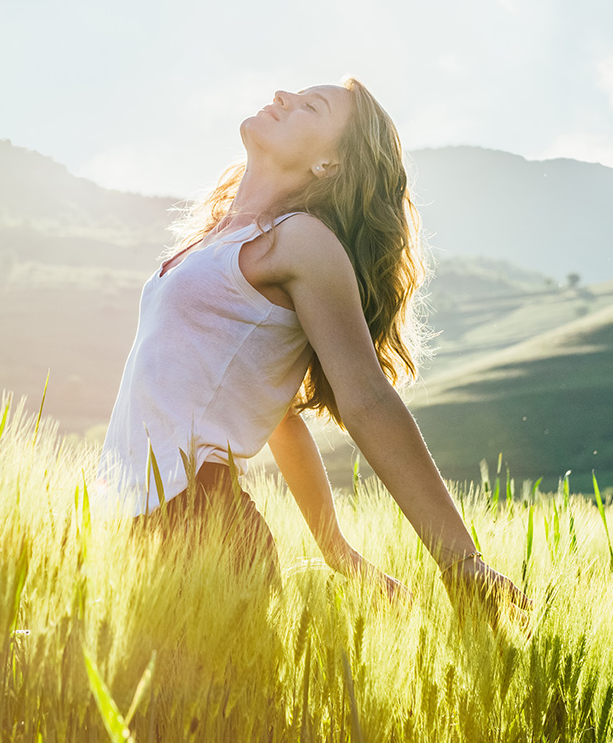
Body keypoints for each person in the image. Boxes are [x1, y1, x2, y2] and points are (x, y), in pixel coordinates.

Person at [97, 77, 530, 616]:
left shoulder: (300, 241)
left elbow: (367, 399)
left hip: (197, 529)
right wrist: (334, 547)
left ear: (330, 163)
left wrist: (459, 562)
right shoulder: (216, 239)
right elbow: (277, 415)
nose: (282, 96)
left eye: (311, 107)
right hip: (128, 528)